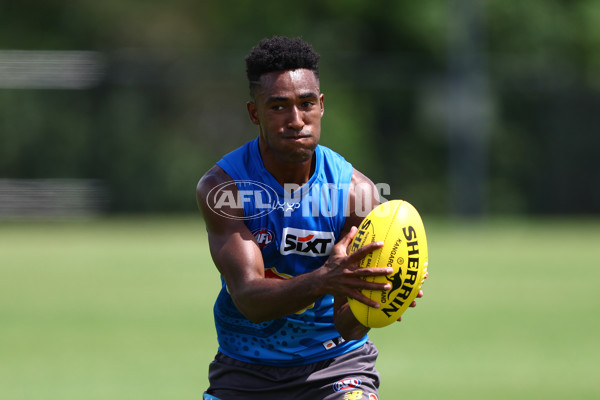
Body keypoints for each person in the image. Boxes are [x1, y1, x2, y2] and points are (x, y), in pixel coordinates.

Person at [196, 36, 422, 400]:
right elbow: (249, 299)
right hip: (245, 368)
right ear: (255, 113)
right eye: (278, 107)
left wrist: (379, 297)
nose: (296, 120)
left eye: (306, 104)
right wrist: (326, 279)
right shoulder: (225, 188)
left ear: (321, 105)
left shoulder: (357, 194)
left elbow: (347, 327)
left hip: (336, 366)